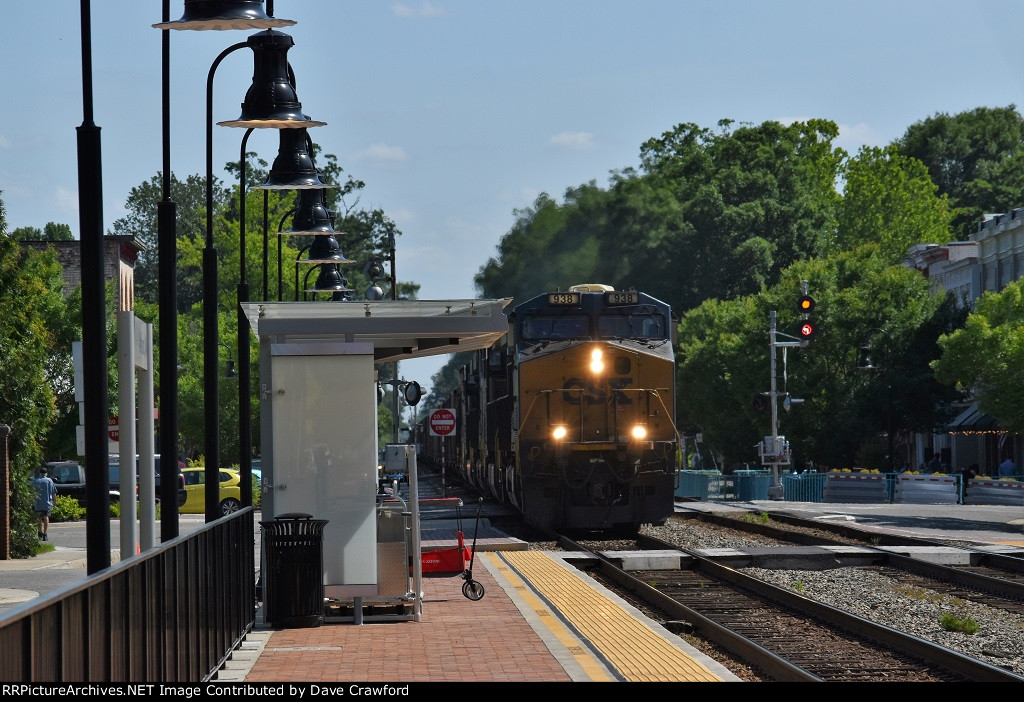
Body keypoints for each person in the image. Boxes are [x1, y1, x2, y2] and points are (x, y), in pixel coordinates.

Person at [32, 466, 57, 541]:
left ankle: (39, 532)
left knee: (39, 518)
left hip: (38, 503)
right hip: (47, 503)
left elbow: (32, 492)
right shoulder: (50, 481)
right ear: (46, 473)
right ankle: (45, 534)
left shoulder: (35, 481)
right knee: (46, 517)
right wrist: (55, 502)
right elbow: (53, 493)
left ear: (40, 473)